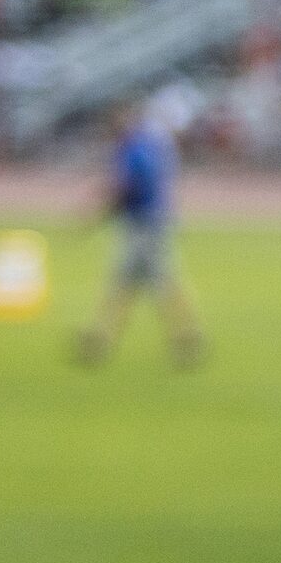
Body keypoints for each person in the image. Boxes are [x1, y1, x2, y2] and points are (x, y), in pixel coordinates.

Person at [75, 99, 204, 368]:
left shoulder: (133, 149)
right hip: (150, 220)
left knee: (149, 281)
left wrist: (96, 214)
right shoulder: (146, 145)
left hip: (143, 224)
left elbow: (126, 187)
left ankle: (185, 336)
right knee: (133, 282)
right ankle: (103, 338)